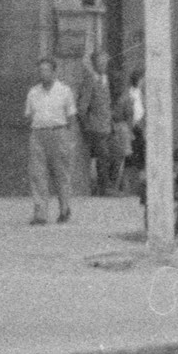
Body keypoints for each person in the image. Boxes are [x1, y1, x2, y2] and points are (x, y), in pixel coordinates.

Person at [24, 58, 84, 225]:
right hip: (38, 135)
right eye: (40, 70)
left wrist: (69, 139)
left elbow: (71, 117)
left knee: (61, 173)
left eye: (46, 70)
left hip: (59, 133)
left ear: (54, 72)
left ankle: (64, 208)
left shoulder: (64, 91)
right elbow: (29, 116)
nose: (43, 73)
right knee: (37, 174)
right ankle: (40, 213)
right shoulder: (33, 92)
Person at [74, 48, 114, 194]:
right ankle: (103, 189)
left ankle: (102, 187)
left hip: (105, 126)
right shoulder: (90, 81)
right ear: (94, 64)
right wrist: (86, 126)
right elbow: (82, 107)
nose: (104, 65)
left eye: (105, 62)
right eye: (100, 63)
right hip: (95, 127)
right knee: (103, 156)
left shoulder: (104, 80)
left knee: (105, 157)